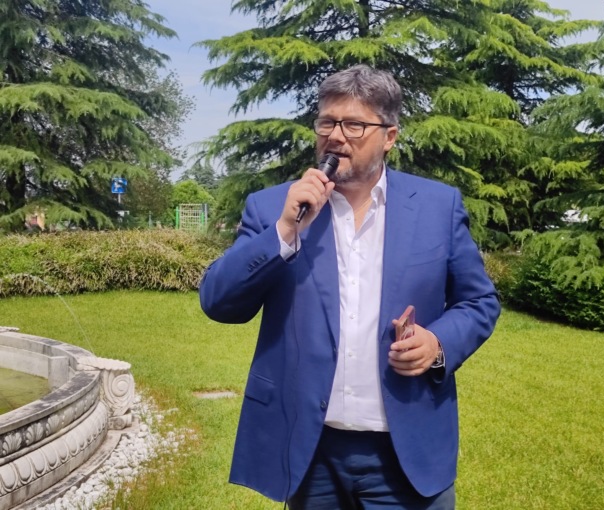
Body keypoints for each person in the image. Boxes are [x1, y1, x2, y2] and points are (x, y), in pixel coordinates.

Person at [199, 64, 501, 509]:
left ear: (389, 136)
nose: (336, 136)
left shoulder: (438, 206)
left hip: (407, 451)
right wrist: (284, 231)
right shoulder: (274, 208)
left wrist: (438, 343)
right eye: (327, 122)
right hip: (309, 450)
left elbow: (479, 301)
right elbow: (219, 302)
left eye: (354, 125)